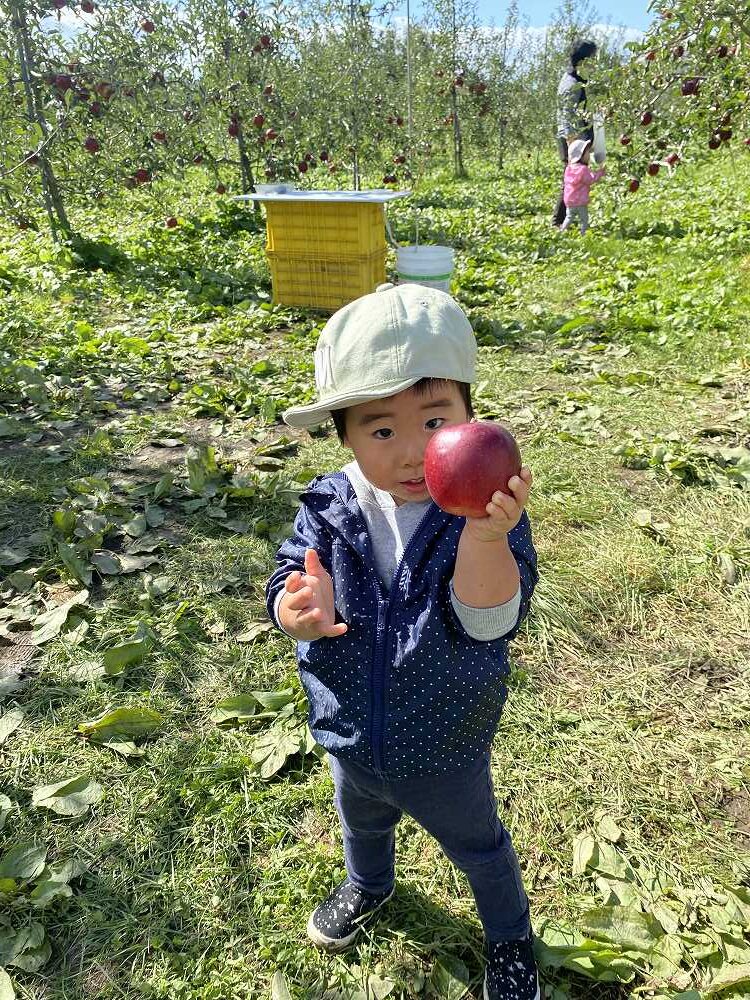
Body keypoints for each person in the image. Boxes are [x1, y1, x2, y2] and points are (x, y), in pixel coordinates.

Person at [266, 283, 540, 1000]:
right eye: (382, 430)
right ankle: (369, 884)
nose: (415, 452)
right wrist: (295, 610)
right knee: (361, 821)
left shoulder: (485, 511)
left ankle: (511, 938)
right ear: (346, 435)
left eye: (436, 419)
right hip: (348, 728)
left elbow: (491, 620)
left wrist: (485, 538)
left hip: (445, 736)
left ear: (471, 415)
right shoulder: (329, 505)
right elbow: (291, 576)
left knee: (478, 846)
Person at [553, 38, 598, 227]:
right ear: (584, 59)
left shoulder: (577, 79)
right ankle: (558, 221)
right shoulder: (571, 83)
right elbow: (567, 115)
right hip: (572, 139)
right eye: (592, 58)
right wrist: (574, 144)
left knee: (573, 180)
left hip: (577, 138)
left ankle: (566, 220)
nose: (595, 62)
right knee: (572, 179)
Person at [559, 138, 605, 234]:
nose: (589, 155)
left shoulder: (568, 168)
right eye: (587, 152)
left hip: (569, 201)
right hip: (580, 202)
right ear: (580, 155)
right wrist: (600, 172)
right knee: (584, 220)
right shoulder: (583, 169)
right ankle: (583, 234)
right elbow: (591, 180)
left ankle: (562, 231)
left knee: (569, 217)